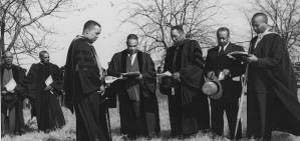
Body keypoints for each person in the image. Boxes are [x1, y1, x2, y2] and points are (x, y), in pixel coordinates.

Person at [246, 13, 300, 140]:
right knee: (256, 111)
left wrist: (257, 61)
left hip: (270, 84)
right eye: (253, 25)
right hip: (255, 82)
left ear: (265, 23)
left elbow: (276, 60)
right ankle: (256, 135)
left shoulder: (276, 39)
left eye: (256, 25)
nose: (254, 28)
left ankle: (267, 137)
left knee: (267, 112)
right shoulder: (254, 40)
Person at [107, 34, 160, 139]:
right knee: (127, 112)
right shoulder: (118, 57)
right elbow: (111, 72)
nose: (132, 49)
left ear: (137, 44)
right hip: (125, 89)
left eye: (134, 46)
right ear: (126, 44)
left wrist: (142, 76)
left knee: (141, 112)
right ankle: (130, 134)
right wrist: (119, 75)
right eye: (130, 46)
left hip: (141, 89)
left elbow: (152, 73)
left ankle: (144, 133)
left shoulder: (145, 57)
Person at [64, 20, 110, 141]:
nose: (97, 37)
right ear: (87, 31)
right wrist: (99, 84)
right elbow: (86, 70)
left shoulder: (78, 43)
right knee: (91, 125)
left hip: (82, 92)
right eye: (96, 33)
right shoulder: (81, 45)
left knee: (84, 126)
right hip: (87, 92)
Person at [161, 25, 210, 138]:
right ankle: (178, 133)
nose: (174, 39)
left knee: (190, 111)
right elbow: (167, 67)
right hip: (175, 86)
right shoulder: (171, 50)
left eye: (176, 36)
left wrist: (181, 74)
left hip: (189, 86)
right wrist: (166, 76)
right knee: (176, 109)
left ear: (182, 34)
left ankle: (192, 133)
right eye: (172, 37)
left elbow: (198, 64)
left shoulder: (192, 45)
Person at [204, 27, 245, 139]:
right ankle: (217, 137)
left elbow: (243, 68)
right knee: (216, 117)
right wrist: (209, 73)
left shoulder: (237, 49)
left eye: (224, 38)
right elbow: (206, 68)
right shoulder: (211, 52)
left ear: (228, 37)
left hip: (231, 90)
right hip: (215, 89)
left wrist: (230, 71)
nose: (221, 40)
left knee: (233, 117)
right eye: (219, 38)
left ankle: (236, 137)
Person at [27, 51, 65, 132]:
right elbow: (30, 80)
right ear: (40, 58)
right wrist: (35, 92)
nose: (48, 59)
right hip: (39, 94)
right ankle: (43, 128)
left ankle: (54, 127)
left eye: (48, 57)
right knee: (41, 111)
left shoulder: (54, 67)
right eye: (45, 57)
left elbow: (60, 79)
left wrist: (52, 85)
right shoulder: (35, 67)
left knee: (53, 109)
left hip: (51, 92)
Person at [1, 51, 26, 135]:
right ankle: (2, 131)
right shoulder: (0, 68)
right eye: (7, 57)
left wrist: (15, 89)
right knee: (2, 114)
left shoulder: (17, 69)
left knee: (13, 114)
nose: (9, 59)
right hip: (2, 94)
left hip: (14, 95)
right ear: (4, 58)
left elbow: (21, 83)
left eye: (10, 57)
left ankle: (12, 132)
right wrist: (1, 90)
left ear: (12, 58)